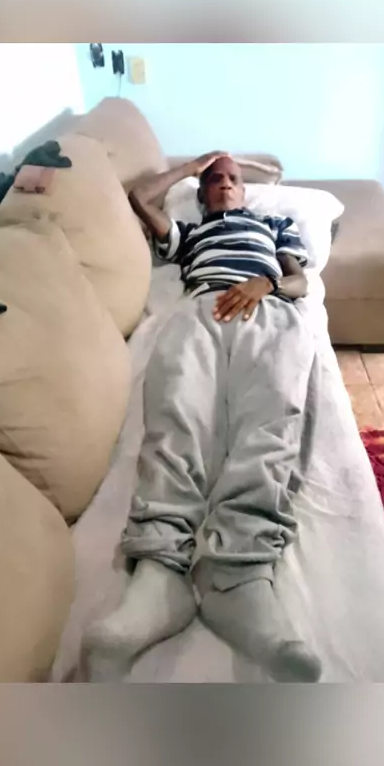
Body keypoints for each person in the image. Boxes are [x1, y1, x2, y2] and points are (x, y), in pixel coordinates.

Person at [83, 154, 322, 682]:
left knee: (270, 425)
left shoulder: (272, 225)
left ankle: (238, 577)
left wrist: (266, 285)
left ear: (246, 190)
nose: (226, 184)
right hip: (204, 309)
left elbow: (300, 282)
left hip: (270, 311)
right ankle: (160, 574)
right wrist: (192, 165)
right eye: (215, 180)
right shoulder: (192, 234)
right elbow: (141, 199)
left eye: (234, 179)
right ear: (202, 192)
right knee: (177, 419)